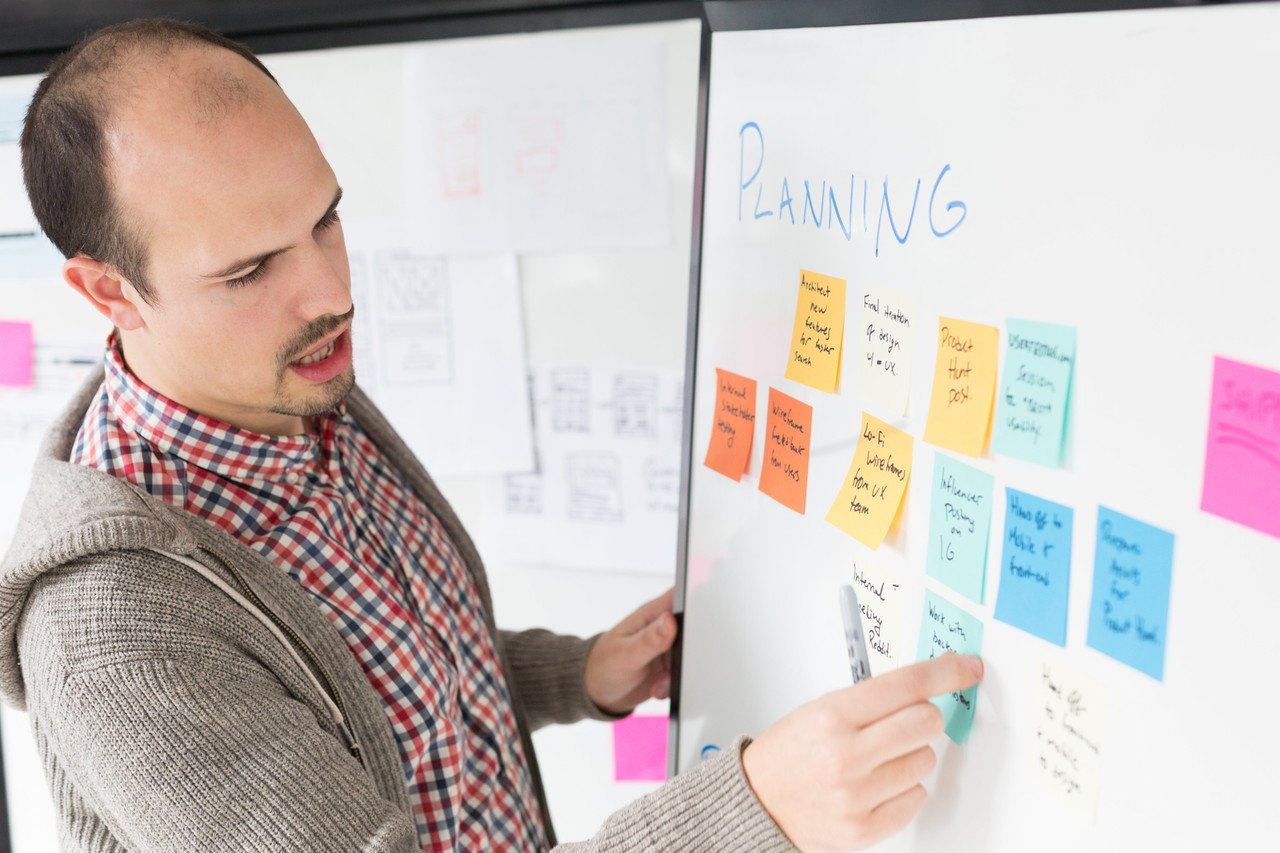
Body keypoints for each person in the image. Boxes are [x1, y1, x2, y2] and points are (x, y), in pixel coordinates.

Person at [0, 18, 983, 852]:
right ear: (107, 293)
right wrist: (752, 812)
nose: (331, 293)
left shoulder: (288, 394)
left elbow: (380, 671)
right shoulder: (118, 643)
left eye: (326, 221)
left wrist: (574, 672)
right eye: (251, 268)